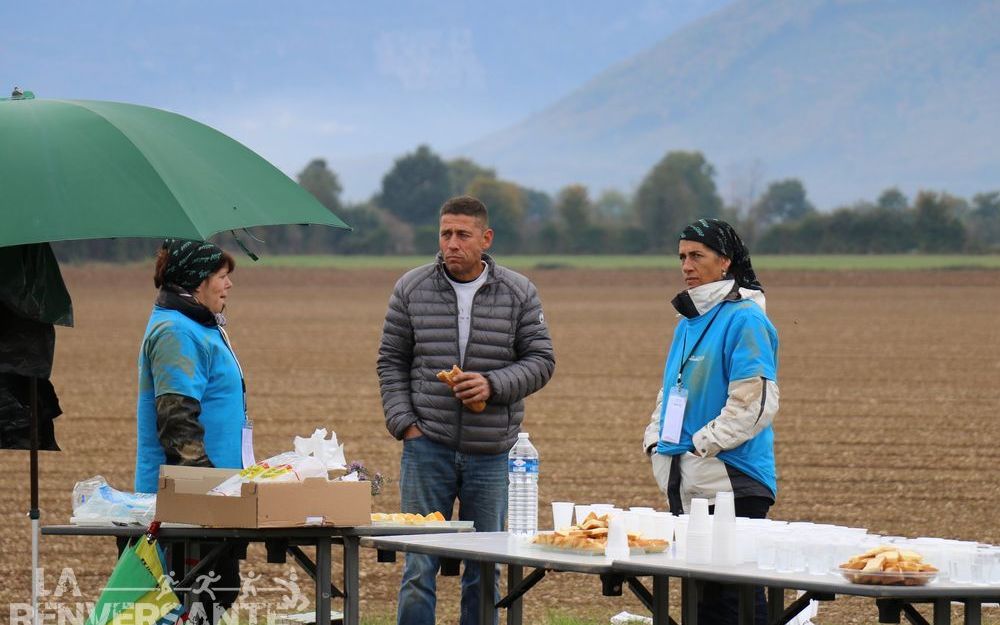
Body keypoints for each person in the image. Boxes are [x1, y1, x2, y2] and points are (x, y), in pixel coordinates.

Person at [377, 195, 555, 625]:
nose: (451, 244)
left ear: (485, 238)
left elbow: (541, 361)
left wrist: (492, 385)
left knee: (485, 566)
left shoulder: (519, 292)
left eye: (462, 234)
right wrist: (405, 425)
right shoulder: (411, 288)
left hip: (492, 452)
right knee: (419, 565)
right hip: (426, 449)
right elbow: (391, 360)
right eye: (445, 234)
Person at [642, 218, 779, 625]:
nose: (686, 265)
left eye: (697, 256)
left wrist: (703, 445)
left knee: (735, 601)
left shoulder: (746, 319)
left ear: (726, 262)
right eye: (682, 256)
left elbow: (755, 402)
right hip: (688, 478)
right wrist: (656, 442)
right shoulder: (687, 321)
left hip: (732, 478)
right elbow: (671, 391)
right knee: (701, 601)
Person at [134, 239, 245, 625]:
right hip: (186, 500)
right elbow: (176, 421)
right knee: (184, 604)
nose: (228, 285)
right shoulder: (175, 332)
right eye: (221, 276)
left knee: (216, 594)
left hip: (215, 491)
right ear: (198, 282)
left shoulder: (200, 325)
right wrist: (210, 493)